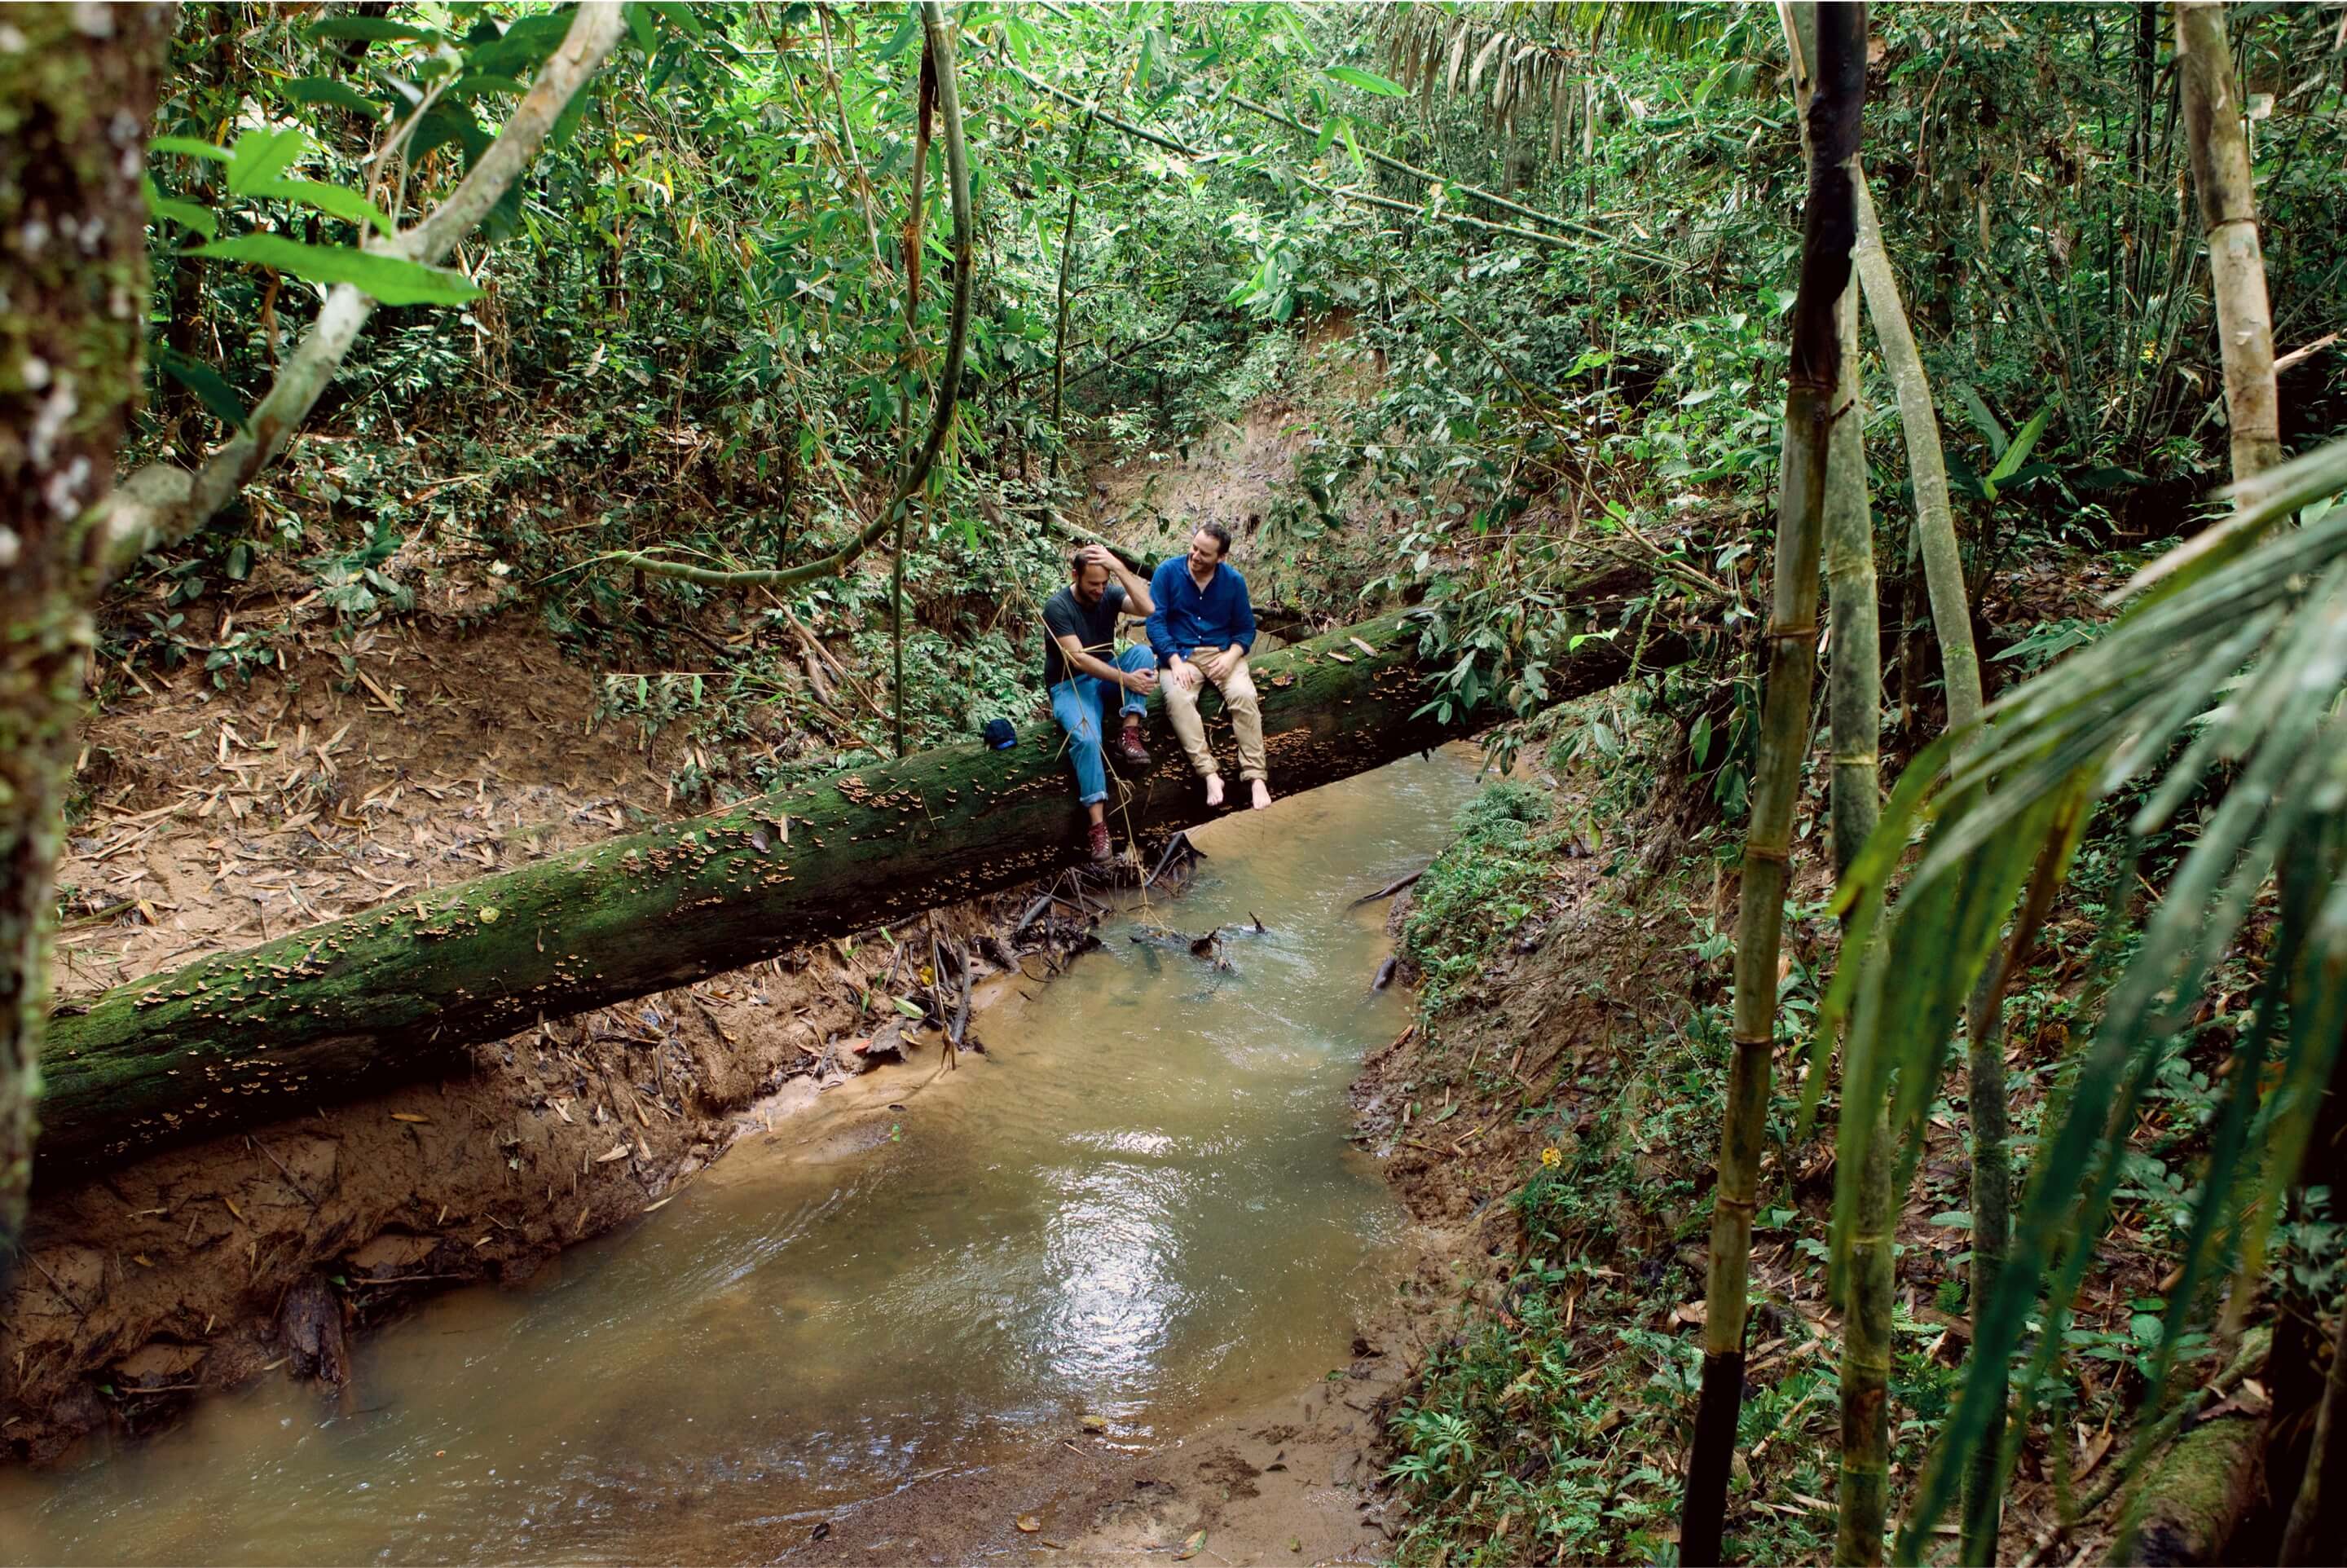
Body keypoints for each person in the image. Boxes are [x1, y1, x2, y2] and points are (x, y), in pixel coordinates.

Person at [1044, 543, 1158, 862]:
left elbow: (1148, 609)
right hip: (1071, 685)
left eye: (1104, 583)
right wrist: (1126, 680)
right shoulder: (1057, 607)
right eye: (1093, 583)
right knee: (1086, 739)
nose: (1099, 590)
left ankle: (1129, 735)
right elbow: (1078, 659)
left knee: (1142, 654)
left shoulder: (1108, 594)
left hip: (1105, 677)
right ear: (1075, 575)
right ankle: (1098, 827)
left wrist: (1119, 568)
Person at [1147, 522, 1271, 811]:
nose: (1195, 556)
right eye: (1193, 548)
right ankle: (1209, 773)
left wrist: (1231, 657)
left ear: (1221, 557)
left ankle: (1255, 776)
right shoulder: (1167, 572)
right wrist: (1174, 661)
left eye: (1204, 553)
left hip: (1222, 653)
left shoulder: (1234, 582)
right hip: (1181, 656)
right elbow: (1155, 623)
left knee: (1244, 695)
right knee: (1177, 699)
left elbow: (1245, 630)